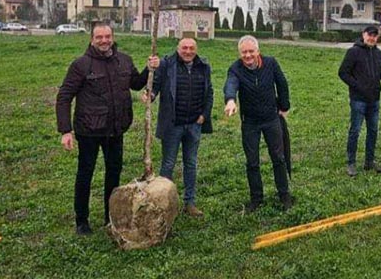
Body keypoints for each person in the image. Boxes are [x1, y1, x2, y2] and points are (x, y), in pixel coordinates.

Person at [56, 23, 151, 235]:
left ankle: (110, 216)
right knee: (85, 174)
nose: (104, 41)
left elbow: (135, 84)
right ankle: (82, 220)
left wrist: (149, 69)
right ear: (92, 39)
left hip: (116, 129)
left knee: (113, 174)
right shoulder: (81, 65)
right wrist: (65, 130)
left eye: (107, 36)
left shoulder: (123, 60)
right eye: (99, 37)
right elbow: (64, 96)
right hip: (89, 130)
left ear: (113, 37)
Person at [142, 37, 213, 218]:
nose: (188, 51)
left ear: (196, 49)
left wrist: (204, 115)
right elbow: (155, 86)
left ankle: (190, 203)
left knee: (191, 163)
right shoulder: (167, 64)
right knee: (168, 164)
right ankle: (164, 204)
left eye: (191, 48)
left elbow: (209, 92)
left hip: (193, 125)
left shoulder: (203, 66)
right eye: (184, 48)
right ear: (178, 48)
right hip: (173, 125)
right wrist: (150, 95)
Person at [223, 35, 293, 212]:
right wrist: (231, 100)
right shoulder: (235, 69)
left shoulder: (270, 63)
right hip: (250, 122)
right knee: (252, 162)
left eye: (251, 51)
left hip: (271, 119)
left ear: (258, 51)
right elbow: (231, 84)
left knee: (278, 157)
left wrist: (284, 106)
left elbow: (282, 84)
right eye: (244, 52)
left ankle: (284, 195)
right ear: (240, 54)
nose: (247, 56)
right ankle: (256, 199)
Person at [338, 25, 381, 177]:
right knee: (355, 131)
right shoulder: (353, 52)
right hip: (358, 100)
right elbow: (343, 73)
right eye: (370, 35)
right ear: (363, 35)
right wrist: (357, 86)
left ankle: (369, 161)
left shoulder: (377, 53)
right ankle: (351, 163)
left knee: (372, 131)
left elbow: (380, 73)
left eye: (375, 35)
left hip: (374, 99)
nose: (372, 38)